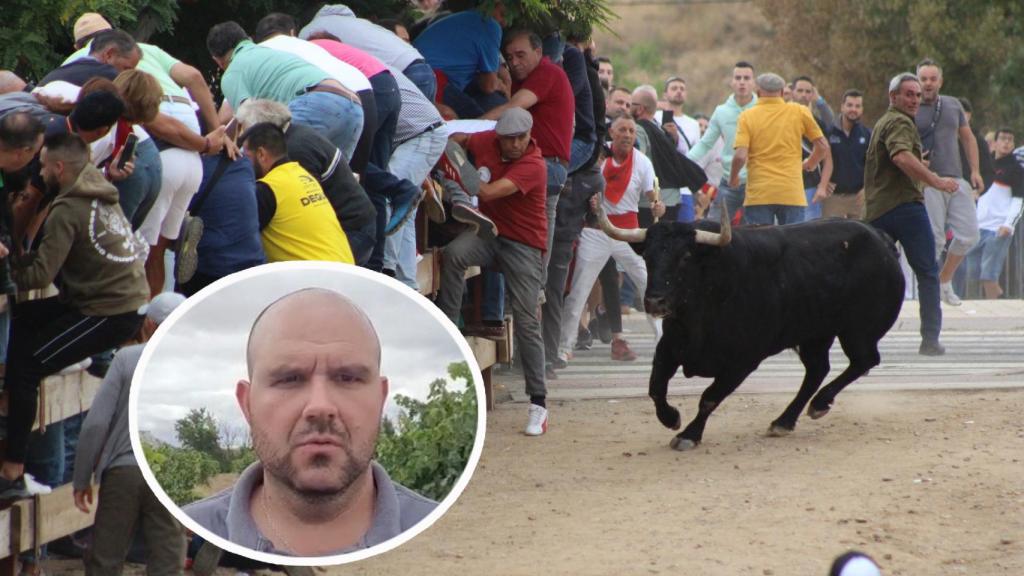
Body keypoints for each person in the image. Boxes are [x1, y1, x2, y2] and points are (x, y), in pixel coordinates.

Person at [185, 288, 437, 555]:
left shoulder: (438, 535)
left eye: (348, 377)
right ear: (247, 404)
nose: (320, 407)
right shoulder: (189, 528)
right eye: (290, 379)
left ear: (381, 399)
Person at [0, 132, 149, 498]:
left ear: (59, 167)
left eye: (44, 166)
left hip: (107, 310)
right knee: (22, 319)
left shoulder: (68, 209)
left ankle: (12, 470)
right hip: (114, 299)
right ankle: (11, 398)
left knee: (27, 365)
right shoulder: (96, 185)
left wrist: (6, 267)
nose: (40, 172)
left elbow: (38, 275)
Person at [436, 108, 549, 436]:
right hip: (489, 233)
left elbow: (486, 192)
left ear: (529, 135)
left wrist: (459, 165)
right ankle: (450, 332)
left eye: (521, 138)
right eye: (508, 138)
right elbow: (457, 140)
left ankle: (538, 404)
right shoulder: (486, 140)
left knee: (527, 321)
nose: (515, 144)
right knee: (454, 254)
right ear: (498, 136)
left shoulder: (534, 165)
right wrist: (453, 150)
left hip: (524, 244)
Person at [72, 292, 188, 575]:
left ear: (149, 324)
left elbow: (97, 423)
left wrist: (81, 477)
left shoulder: (126, 359)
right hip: (170, 475)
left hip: (123, 471)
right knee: (168, 562)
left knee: (105, 561)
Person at [864, 72, 959, 356]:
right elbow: (901, 156)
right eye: (909, 94)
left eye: (918, 95)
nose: (915, 99)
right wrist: (936, 180)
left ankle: (864, 342)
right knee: (928, 273)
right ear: (893, 97)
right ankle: (930, 339)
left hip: (877, 210)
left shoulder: (884, 122)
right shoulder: (900, 121)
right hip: (905, 207)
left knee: (870, 279)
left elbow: (898, 158)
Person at [558, 116, 663, 365]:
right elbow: (580, 185)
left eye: (631, 131)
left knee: (649, 285)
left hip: (629, 233)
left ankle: (664, 341)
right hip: (596, 229)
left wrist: (658, 207)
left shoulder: (643, 162)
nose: (627, 135)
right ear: (611, 134)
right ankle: (564, 347)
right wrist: (590, 201)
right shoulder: (597, 157)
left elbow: (653, 197)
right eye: (622, 130)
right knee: (580, 288)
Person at [235, 99, 375, 265]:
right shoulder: (297, 165)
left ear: (261, 151)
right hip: (341, 254)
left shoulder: (291, 162)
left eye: (246, 149)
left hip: (349, 233)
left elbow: (240, 238)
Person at [206, 21, 364, 162]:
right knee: (332, 181)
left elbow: (249, 120)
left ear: (216, 60)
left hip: (317, 102)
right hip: (353, 104)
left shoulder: (232, 72)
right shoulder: (269, 52)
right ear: (248, 39)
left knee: (273, 163)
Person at [914, 58, 982, 306]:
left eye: (933, 78)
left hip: (956, 178)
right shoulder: (910, 106)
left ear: (940, 81)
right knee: (935, 239)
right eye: (924, 79)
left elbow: (968, 138)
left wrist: (975, 170)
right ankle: (929, 292)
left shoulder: (953, 105)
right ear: (917, 80)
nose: (928, 83)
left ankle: (944, 280)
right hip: (930, 181)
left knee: (969, 235)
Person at [241, 122, 354, 264]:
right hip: (344, 267)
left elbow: (239, 241)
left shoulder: (268, 189)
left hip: (314, 279)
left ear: (261, 154)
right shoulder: (302, 175)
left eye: (245, 155)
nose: (243, 162)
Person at [730, 72, 828, 226]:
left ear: (758, 92)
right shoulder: (799, 111)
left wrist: (733, 177)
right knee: (793, 245)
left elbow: (740, 156)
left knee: (760, 246)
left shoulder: (747, 116)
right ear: (782, 92)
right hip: (791, 192)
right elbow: (822, 146)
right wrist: (811, 163)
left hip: (759, 193)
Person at [299, 5, 437, 101]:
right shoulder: (360, 23)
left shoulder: (310, 31)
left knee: (403, 136)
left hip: (404, 74)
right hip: (424, 69)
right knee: (425, 129)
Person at [688, 61, 757, 223]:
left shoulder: (762, 109)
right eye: (738, 77)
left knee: (756, 232)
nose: (742, 82)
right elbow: (705, 143)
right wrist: (684, 161)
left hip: (757, 181)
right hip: (729, 181)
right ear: (731, 82)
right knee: (712, 226)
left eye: (747, 78)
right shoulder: (721, 111)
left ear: (754, 82)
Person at [413, 6, 508, 118]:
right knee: (483, 122)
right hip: (432, 78)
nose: (505, 23)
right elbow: (489, 86)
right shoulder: (490, 24)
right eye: (503, 15)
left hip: (420, 76)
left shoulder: (464, 18)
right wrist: (500, 85)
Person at [965, 128, 1023, 299]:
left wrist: (1008, 224)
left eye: (1010, 140)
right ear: (995, 142)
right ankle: (974, 309)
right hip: (978, 226)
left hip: (997, 228)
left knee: (989, 275)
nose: (1006, 142)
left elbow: (1019, 200)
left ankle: (998, 309)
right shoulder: (985, 166)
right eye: (1003, 138)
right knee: (972, 274)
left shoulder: (1016, 169)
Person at [790, 75, 834, 220]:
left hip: (810, 187)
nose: (804, 95)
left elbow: (828, 158)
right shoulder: (782, 118)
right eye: (800, 90)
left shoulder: (818, 123)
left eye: (808, 91)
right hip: (786, 185)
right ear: (792, 92)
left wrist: (822, 186)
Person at [824, 89, 871, 219]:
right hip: (834, 197)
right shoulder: (829, 132)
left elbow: (873, 164)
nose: (853, 109)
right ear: (842, 107)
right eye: (849, 105)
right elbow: (817, 159)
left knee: (859, 237)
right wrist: (823, 182)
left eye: (857, 106)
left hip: (858, 198)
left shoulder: (867, 134)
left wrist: (867, 188)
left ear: (862, 109)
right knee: (832, 236)